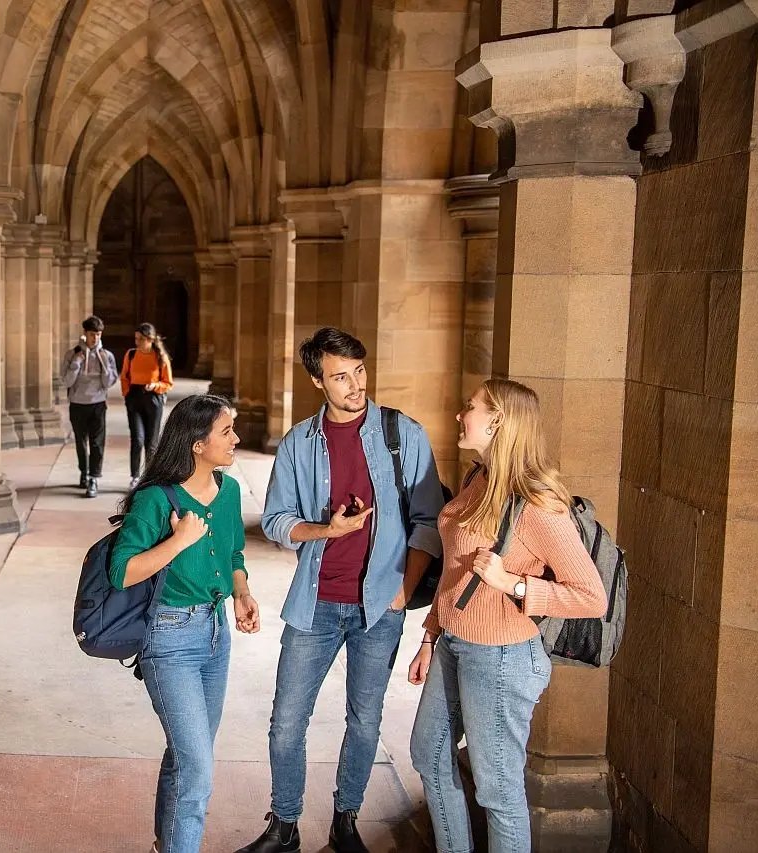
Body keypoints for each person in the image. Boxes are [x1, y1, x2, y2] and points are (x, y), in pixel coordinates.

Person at [240, 327, 444, 853]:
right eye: (339, 376)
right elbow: (277, 522)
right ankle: (284, 826)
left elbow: (427, 521)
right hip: (316, 603)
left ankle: (345, 821)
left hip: (380, 607)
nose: (355, 385)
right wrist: (327, 531)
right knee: (286, 722)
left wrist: (404, 590)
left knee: (365, 721)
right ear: (317, 380)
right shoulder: (299, 443)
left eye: (359, 371)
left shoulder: (405, 435)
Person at [408, 378, 607, 853]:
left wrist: (515, 584)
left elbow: (591, 597)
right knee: (429, 755)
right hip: (455, 644)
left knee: (498, 792)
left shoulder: (539, 505)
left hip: (501, 658)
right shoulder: (480, 477)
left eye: (470, 407)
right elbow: (457, 568)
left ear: (499, 421)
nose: (460, 414)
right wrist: (431, 636)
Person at [109, 394, 261, 853]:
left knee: (187, 756)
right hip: (169, 639)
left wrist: (242, 591)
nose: (236, 439)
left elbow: (233, 552)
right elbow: (122, 572)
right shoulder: (157, 499)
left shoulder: (229, 490)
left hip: (217, 635)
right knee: (197, 766)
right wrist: (179, 540)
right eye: (227, 432)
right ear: (197, 443)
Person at [61, 315, 118, 498]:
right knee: (80, 441)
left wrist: (104, 366)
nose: (96, 338)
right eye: (93, 334)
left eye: (99, 335)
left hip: (98, 403)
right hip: (78, 403)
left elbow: (109, 382)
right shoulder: (72, 354)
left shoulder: (107, 356)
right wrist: (77, 363)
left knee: (97, 442)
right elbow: (66, 381)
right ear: (85, 334)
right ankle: (83, 472)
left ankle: (93, 477)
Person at [120, 322, 175, 490]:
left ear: (150, 339)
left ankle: (150, 478)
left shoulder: (160, 358)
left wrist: (155, 386)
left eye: (141, 339)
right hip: (135, 398)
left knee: (152, 442)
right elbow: (124, 377)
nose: (137, 342)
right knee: (137, 439)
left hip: (153, 399)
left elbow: (168, 383)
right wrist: (127, 394)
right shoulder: (131, 355)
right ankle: (135, 476)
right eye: (136, 339)